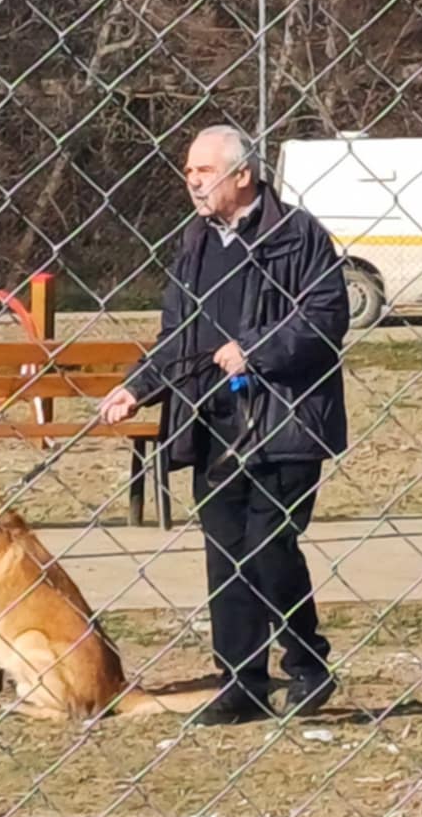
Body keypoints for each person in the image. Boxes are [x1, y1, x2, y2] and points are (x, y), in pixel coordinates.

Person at [98, 124, 349, 725]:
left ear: (243, 174)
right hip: (210, 423)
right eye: (188, 172)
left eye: (203, 172)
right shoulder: (196, 243)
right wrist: (136, 387)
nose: (192, 182)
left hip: (281, 425)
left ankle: (308, 663)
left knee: (268, 548)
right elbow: (175, 336)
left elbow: (325, 318)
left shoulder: (298, 235)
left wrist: (255, 350)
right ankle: (243, 683)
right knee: (225, 556)